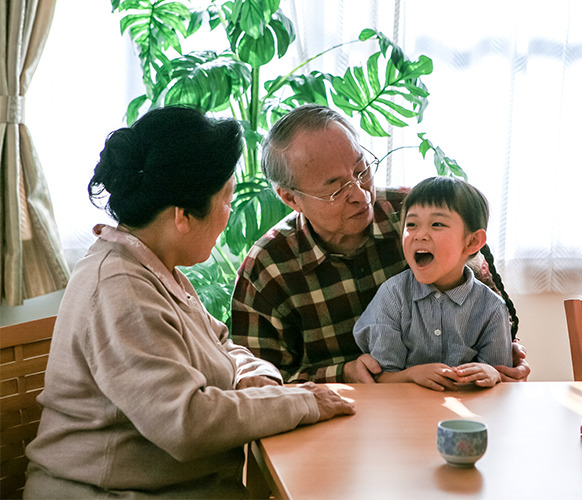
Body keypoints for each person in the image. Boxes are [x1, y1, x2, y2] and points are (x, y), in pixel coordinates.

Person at [24, 106, 354, 499]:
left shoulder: (154, 268)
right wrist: (300, 402)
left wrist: (257, 378)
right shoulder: (119, 289)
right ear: (183, 215)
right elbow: (185, 424)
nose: (228, 216)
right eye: (227, 200)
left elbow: (223, 345)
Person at [231, 104, 530, 384]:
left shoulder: (415, 215)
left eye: (362, 171)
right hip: (330, 426)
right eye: (336, 189)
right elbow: (259, 385)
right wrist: (343, 374)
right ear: (291, 198)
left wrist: (505, 354)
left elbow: (492, 305)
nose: (361, 195)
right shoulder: (268, 268)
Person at [353, 176, 515, 391]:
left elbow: (504, 380)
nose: (420, 235)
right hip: (402, 414)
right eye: (411, 224)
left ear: (472, 241)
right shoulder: (392, 296)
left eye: (437, 224)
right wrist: (412, 375)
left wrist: (493, 373)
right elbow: (381, 378)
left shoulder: (492, 308)